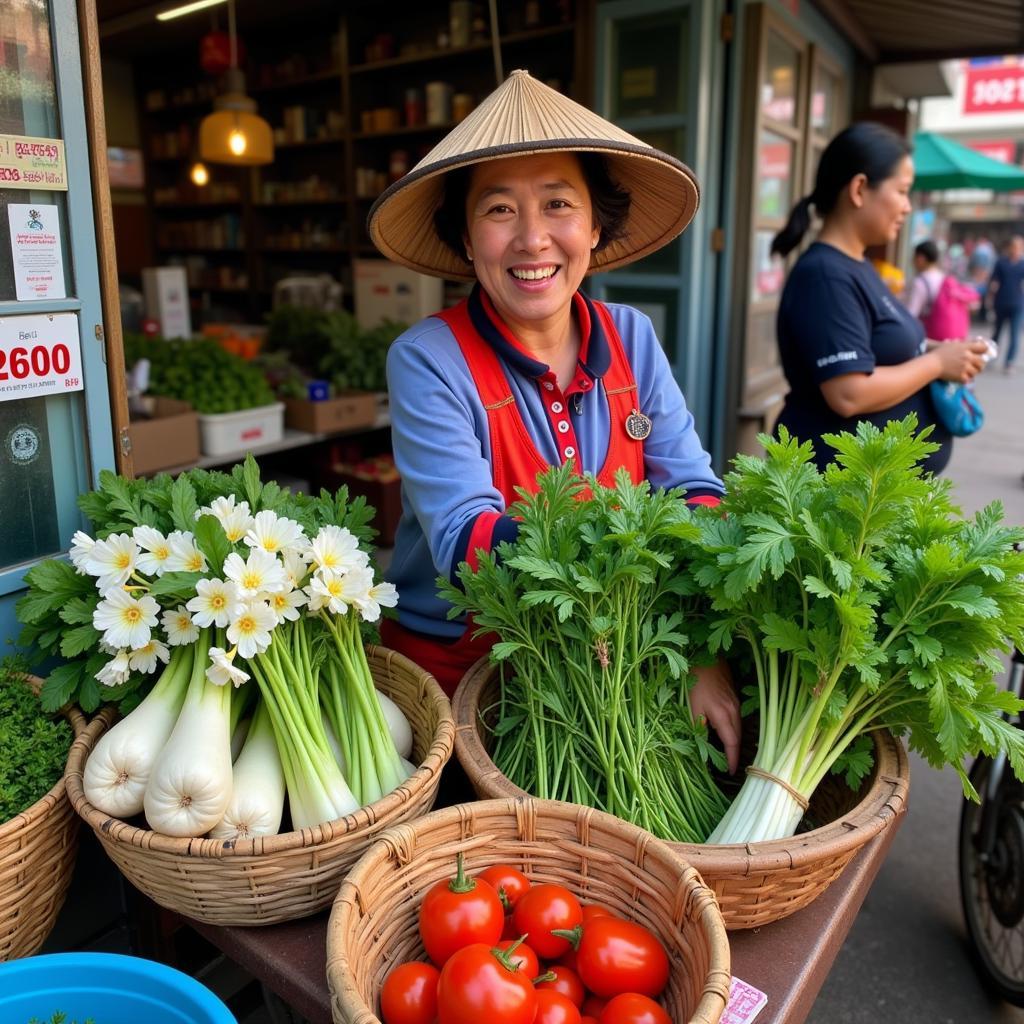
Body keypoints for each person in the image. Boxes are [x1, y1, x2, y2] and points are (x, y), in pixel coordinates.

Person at [368, 69, 740, 769]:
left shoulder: (631, 337)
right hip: (456, 677)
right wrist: (632, 571)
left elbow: (696, 491)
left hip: (611, 661)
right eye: (499, 210)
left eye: (558, 204)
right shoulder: (429, 359)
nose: (532, 239)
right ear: (465, 238)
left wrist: (693, 645)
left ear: (596, 226)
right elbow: (467, 544)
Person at [770, 122, 988, 475]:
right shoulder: (825, 275)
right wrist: (936, 364)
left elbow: (875, 345)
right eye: (902, 191)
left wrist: (943, 351)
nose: (906, 207)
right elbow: (848, 393)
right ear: (859, 189)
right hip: (838, 496)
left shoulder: (859, 266)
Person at [905, 239, 979, 341]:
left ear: (920, 258)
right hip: (952, 338)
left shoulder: (920, 282)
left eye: (913, 257)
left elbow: (911, 314)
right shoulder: (944, 277)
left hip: (930, 336)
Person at [987, 235, 1024, 374]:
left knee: (1014, 334)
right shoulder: (1001, 263)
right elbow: (994, 282)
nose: (1015, 249)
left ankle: (1009, 362)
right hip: (1001, 302)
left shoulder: (1022, 264)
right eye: (1013, 246)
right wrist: (990, 298)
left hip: (1017, 303)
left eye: (1018, 247)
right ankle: (990, 357)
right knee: (997, 333)